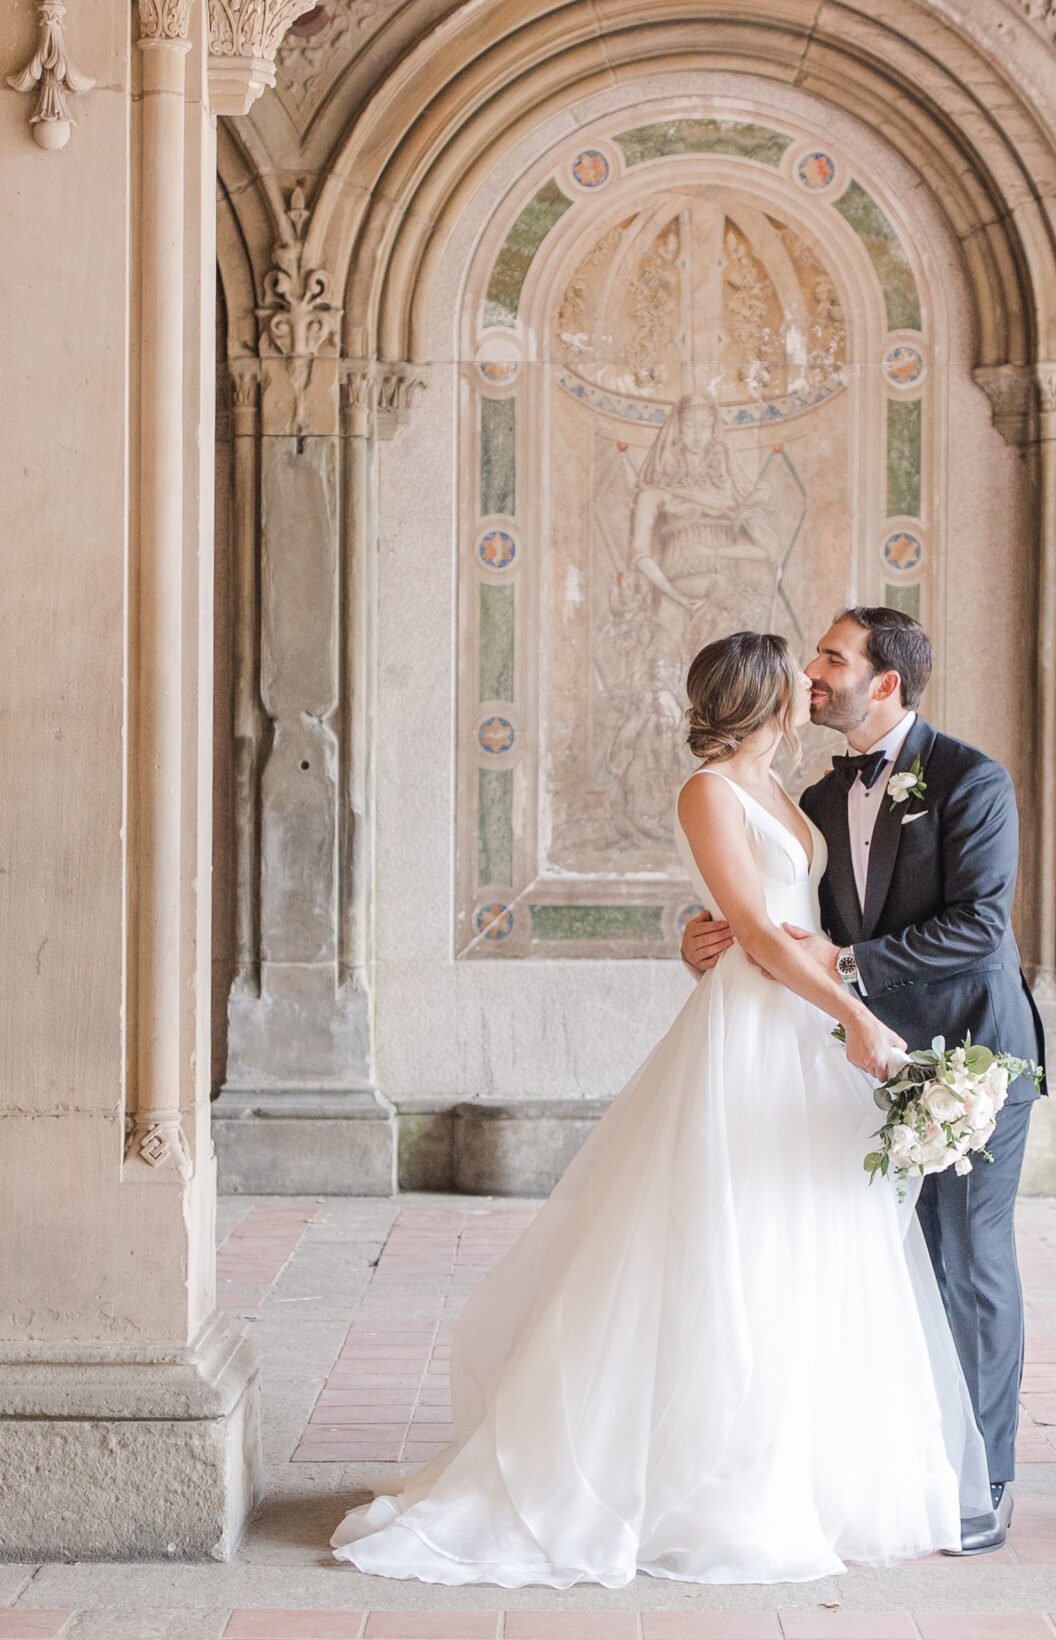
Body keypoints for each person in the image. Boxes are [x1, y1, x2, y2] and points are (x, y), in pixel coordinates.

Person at [331, 630, 988, 1591]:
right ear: (762, 698)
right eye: (796, 679)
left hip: (797, 1030)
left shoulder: (788, 797)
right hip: (751, 1031)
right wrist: (855, 1017)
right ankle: (704, 1484)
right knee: (724, 1243)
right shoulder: (710, 791)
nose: (811, 687)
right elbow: (757, 929)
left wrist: (831, 999)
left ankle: (806, 1472)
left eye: (820, 673)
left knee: (803, 1237)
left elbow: (802, 918)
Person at [682, 605, 1045, 1554]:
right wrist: (707, 939)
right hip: (850, 1060)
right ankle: (898, 1464)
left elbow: (979, 926)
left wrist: (844, 975)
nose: (812, 670)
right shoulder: (810, 796)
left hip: (969, 1055)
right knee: (876, 1268)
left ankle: (984, 1485)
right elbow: (776, 911)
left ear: (884, 683)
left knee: (967, 1261)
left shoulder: (971, 779)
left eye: (832, 658)